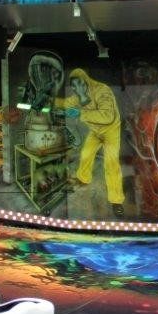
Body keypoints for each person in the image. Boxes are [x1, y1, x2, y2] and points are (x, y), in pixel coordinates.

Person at [56, 68, 125, 216]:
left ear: (86, 81)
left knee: (111, 164)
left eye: (80, 84)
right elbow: (66, 103)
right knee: (86, 153)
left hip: (111, 131)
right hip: (95, 131)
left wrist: (80, 113)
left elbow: (108, 116)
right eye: (74, 86)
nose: (78, 89)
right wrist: (49, 100)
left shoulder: (102, 91)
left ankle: (116, 200)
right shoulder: (78, 96)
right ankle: (83, 178)